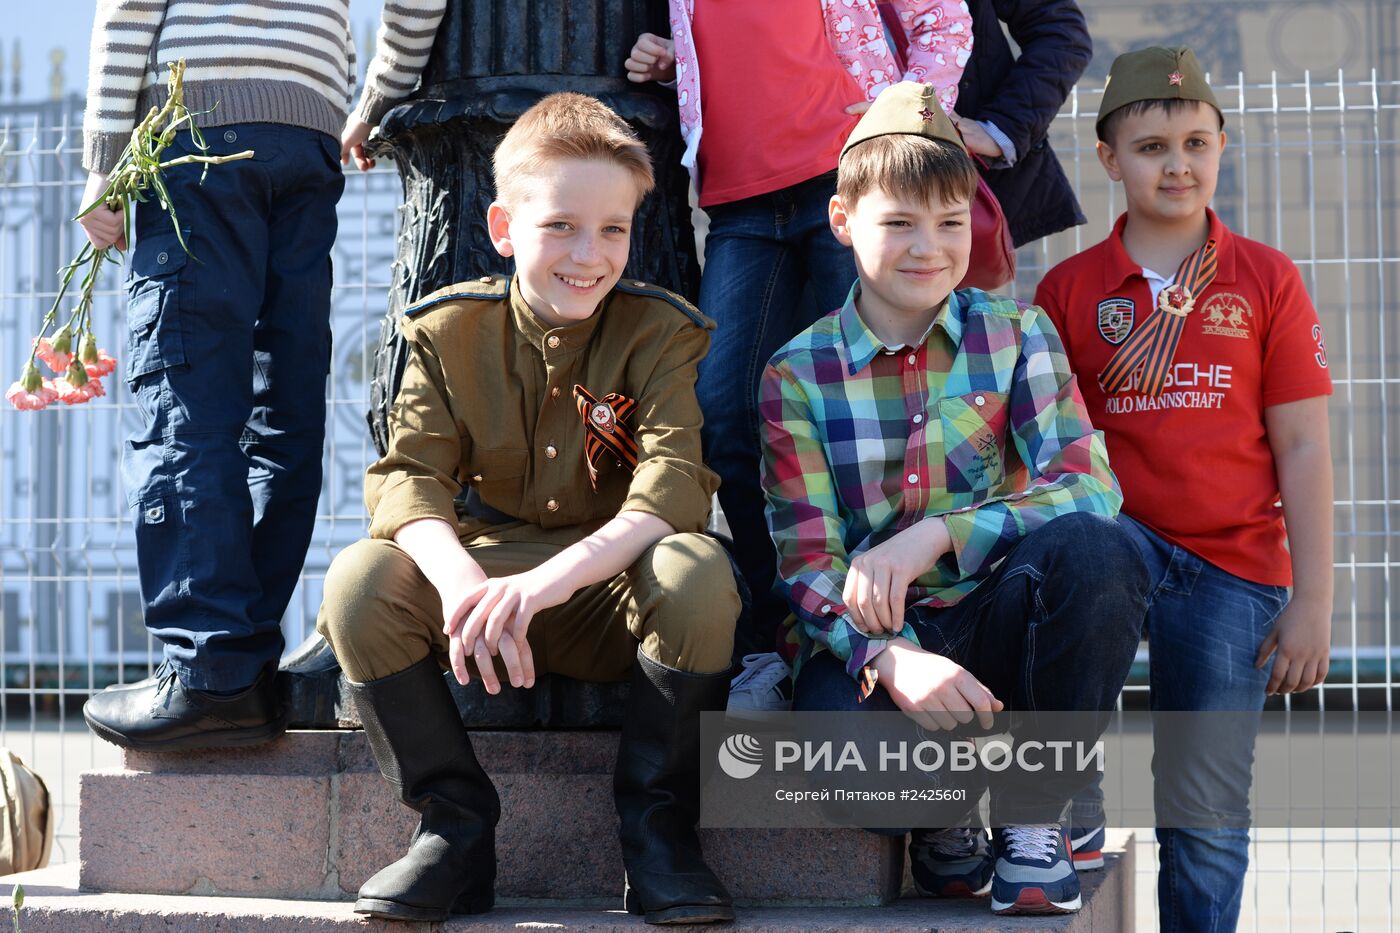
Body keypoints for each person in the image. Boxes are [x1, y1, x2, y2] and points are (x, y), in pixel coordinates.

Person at [317, 93, 741, 925]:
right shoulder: (448, 332)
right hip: (484, 594)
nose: (590, 254)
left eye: (613, 228)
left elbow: (672, 486)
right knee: (360, 581)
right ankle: (455, 830)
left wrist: (543, 586)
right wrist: (465, 584)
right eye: (561, 227)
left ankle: (659, 833)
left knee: (697, 569)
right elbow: (408, 480)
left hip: (606, 588)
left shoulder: (658, 334)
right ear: (505, 228)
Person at [758, 81, 1149, 916]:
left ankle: (1033, 805)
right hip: (876, 643)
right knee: (846, 769)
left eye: (949, 221)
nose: (929, 248)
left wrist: (938, 531)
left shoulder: (1016, 334)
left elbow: (1089, 483)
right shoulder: (796, 373)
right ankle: (945, 815)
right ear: (843, 222)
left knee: (1101, 550)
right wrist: (896, 659)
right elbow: (806, 563)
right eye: (899, 222)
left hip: (996, 619)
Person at [1034, 47, 1333, 932]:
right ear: (1109, 159)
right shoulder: (1067, 289)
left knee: (1202, 814)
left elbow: (1306, 443)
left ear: (1222, 147)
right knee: (1059, 699)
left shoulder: (1267, 279)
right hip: (1116, 548)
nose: (1177, 163)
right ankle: (1056, 805)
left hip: (1232, 569)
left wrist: (1314, 596)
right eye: (1153, 144)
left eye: (1197, 142)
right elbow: (1048, 451)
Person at [625, 3, 974, 709]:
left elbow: (945, 21)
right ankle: (780, 634)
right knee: (724, 409)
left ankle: (896, 626)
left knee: (867, 413)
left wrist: (900, 124)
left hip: (846, 184)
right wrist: (680, 61)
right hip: (738, 203)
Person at [77, 0, 359, 748]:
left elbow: (130, 6)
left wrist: (105, 160)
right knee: (284, 404)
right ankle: (246, 662)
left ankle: (210, 670)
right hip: (309, 134)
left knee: (187, 402)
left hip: (201, 126)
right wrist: (364, 94)